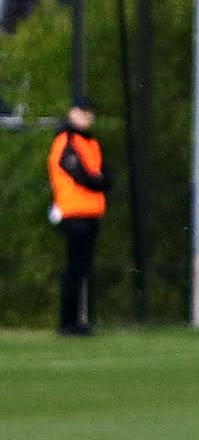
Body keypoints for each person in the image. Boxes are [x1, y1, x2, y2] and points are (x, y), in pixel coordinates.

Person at [47, 99, 110, 337]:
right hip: (73, 212)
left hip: (91, 210)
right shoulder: (66, 140)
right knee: (74, 268)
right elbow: (82, 175)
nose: (87, 117)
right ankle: (67, 323)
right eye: (83, 112)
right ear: (72, 114)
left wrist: (99, 180)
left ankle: (76, 321)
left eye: (89, 113)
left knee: (82, 268)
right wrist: (98, 180)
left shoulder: (91, 142)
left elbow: (106, 174)